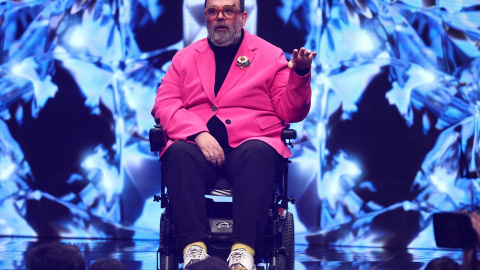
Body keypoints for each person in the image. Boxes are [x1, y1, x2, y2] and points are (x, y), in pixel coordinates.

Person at [151, 0, 316, 269]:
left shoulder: (269, 55)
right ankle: (194, 249)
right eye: (213, 11)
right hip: (198, 149)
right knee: (179, 151)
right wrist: (197, 133)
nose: (220, 17)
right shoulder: (184, 58)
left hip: (250, 145)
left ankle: (243, 251)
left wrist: (299, 73)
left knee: (256, 152)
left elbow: (290, 111)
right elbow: (165, 104)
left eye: (228, 10)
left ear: (243, 16)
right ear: (205, 16)